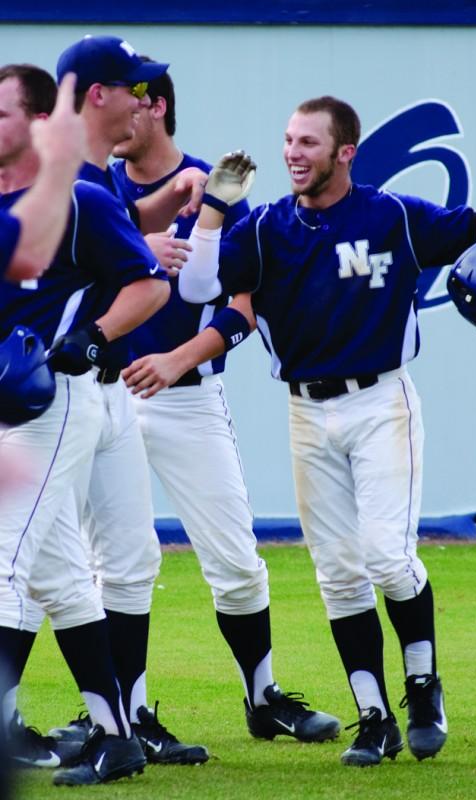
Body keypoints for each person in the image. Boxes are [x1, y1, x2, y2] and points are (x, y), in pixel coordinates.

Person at [126, 96, 476, 767]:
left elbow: (470, 224)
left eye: (309, 143)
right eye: (289, 140)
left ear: (345, 152)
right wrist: (214, 212)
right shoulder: (263, 229)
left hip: (381, 401)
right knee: (339, 576)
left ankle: (423, 682)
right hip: (306, 409)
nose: (293, 153)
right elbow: (199, 288)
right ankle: (374, 717)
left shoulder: (391, 214)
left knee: (387, 557)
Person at [107, 63, 340, 746]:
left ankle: (262, 698)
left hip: (187, 401)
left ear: (155, 109)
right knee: (115, 564)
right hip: (107, 399)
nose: (115, 116)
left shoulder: (217, 188)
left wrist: (179, 357)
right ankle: (128, 716)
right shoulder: (96, 185)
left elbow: (243, 310)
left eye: (127, 102)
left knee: (237, 562)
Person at [33, 35, 211, 774]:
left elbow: (92, 243)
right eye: (133, 86)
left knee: (123, 559)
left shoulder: (96, 174)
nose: (147, 100)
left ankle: (123, 726)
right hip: (45, 386)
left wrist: (148, 218)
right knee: (31, 563)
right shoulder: (57, 167)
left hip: (96, 389)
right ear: (95, 94)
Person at [0, 62, 170, 786]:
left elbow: (150, 282)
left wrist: (94, 335)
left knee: (3, 561)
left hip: (54, 403)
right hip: (5, 407)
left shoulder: (84, 200)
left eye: (1, 111)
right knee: (64, 578)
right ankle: (115, 736)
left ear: (41, 122)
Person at [0, 68, 85, 283]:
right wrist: (63, 159)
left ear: (41, 124)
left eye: (0, 116)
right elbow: (25, 256)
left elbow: (148, 286)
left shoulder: (82, 201)